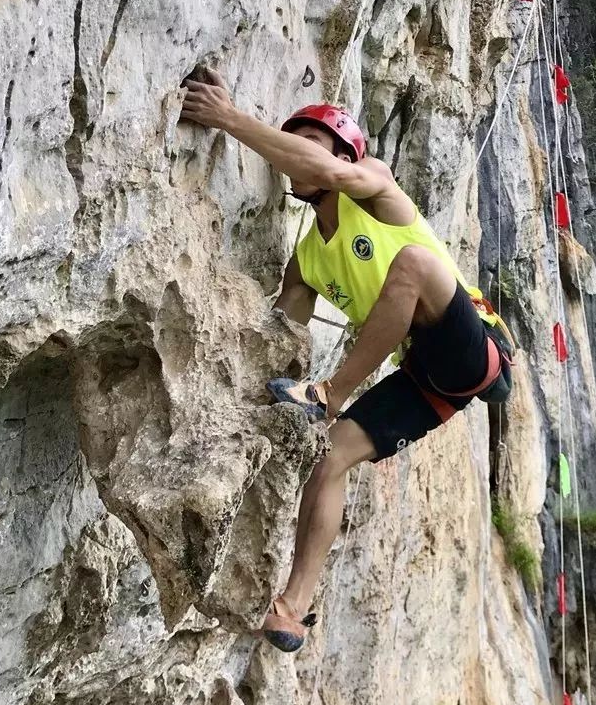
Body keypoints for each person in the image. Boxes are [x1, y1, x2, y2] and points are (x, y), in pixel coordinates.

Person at [180, 74, 514, 653]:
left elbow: (335, 174)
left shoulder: (376, 188)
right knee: (331, 457)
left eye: (315, 144)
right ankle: (291, 610)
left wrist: (230, 118)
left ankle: (330, 393)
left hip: (475, 345)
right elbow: (282, 331)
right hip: (428, 377)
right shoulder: (308, 257)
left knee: (411, 263)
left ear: (345, 156)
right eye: (296, 146)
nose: (300, 158)